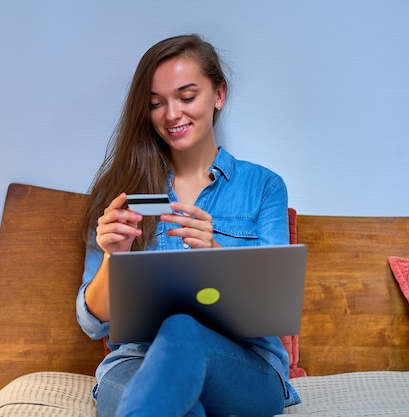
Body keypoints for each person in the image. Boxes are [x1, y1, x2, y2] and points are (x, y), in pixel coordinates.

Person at [76, 34, 300, 417]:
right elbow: (93, 324)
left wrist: (214, 255)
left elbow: (272, 306)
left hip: (243, 364)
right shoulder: (119, 194)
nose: (172, 114)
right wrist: (116, 258)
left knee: (182, 330)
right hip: (137, 362)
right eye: (156, 103)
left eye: (187, 96)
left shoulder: (264, 187)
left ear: (218, 94)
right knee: (180, 404)